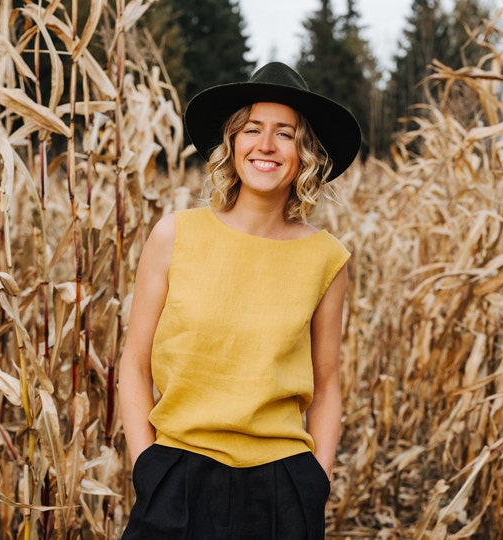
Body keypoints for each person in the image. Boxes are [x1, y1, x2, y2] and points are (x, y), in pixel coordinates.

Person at [118, 61, 361, 539]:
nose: (266, 145)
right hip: (177, 476)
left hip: (282, 487)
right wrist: (148, 467)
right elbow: (134, 363)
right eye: (252, 129)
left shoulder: (326, 258)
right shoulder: (174, 235)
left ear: (306, 153)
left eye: (285, 133)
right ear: (232, 143)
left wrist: (317, 481)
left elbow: (327, 384)